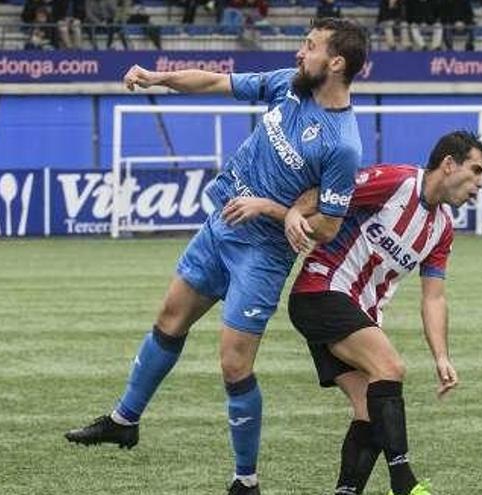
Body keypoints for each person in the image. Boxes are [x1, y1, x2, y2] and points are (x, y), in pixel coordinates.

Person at [64, 17, 370, 495]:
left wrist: (272, 208)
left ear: (335, 62)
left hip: (263, 255)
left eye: (308, 46)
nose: (298, 53)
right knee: (169, 319)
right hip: (220, 226)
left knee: (233, 365)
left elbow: (328, 226)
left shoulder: (343, 145)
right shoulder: (288, 86)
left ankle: (245, 480)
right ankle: (124, 420)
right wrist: (157, 78)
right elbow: (215, 80)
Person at [224, 131, 482, 495]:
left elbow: (434, 299)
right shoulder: (397, 182)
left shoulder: (442, 229)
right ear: (448, 164)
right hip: (321, 291)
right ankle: (404, 482)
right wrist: (286, 213)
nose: (480, 183)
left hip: (353, 312)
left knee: (370, 411)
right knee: (391, 368)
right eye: (476, 171)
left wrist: (442, 356)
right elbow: (329, 195)